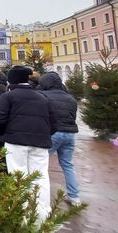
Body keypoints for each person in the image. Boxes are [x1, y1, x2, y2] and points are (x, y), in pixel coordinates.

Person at [0, 65, 57, 222]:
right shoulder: (42, 97)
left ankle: (21, 215)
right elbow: (54, 124)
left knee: (18, 175)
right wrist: (42, 135)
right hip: (41, 143)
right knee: (41, 177)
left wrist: (6, 134)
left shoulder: (8, 97)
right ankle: (42, 215)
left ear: (11, 80)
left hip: (16, 143)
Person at [39, 71, 81, 206]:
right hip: (70, 134)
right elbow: (72, 117)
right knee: (68, 165)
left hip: (53, 133)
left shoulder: (44, 96)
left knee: (40, 163)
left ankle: (40, 197)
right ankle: (74, 197)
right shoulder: (70, 98)